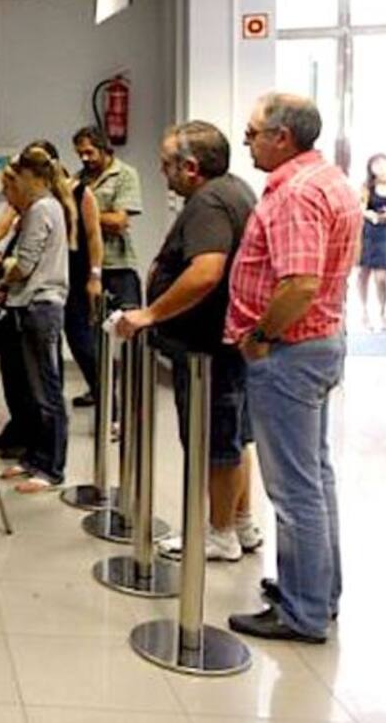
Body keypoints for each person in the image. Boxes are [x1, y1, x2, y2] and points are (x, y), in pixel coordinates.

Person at [224, 93, 362, 644]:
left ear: (282, 137)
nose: (247, 142)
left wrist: (260, 335)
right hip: (319, 344)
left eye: (252, 133)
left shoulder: (296, 194)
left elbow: (300, 284)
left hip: (290, 352)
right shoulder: (328, 179)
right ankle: (318, 593)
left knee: (294, 488)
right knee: (316, 477)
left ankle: (303, 612)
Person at [114, 121, 261, 562]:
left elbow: (205, 271)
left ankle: (220, 533)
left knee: (214, 443)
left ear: (191, 167)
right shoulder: (235, 189)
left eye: (167, 165)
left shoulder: (209, 203)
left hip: (206, 348)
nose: (163, 172)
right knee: (234, 438)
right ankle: (239, 522)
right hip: (225, 344)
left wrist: (150, 314)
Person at [0, 140, 103, 446]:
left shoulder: (46, 207)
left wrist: (95, 275)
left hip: (46, 296)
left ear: (27, 178)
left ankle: (47, 455)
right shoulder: (37, 207)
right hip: (29, 297)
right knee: (25, 375)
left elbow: (24, 264)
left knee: (50, 379)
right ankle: (28, 440)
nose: (6, 196)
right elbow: (6, 243)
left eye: (8, 188)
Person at [0, 150, 71, 493]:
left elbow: (23, 266)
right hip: (33, 305)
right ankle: (35, 458)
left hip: (40, 306)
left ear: (30, 176)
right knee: (34, 391)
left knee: (46, 392)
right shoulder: (47, 207)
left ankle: (51, 468)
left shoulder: (40, 210)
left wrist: (5, 269)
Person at [73, 125, 144, 311]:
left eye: (89, 152)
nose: (84, 158)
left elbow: (118, 222)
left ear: (103, 148)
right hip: (85, 263)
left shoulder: (124, 174)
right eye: (80, 154)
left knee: (124, 318)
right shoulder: (77, 180)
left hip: (117, 264)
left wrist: (86, 215)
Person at [355, 153, 386, 331]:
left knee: (382, 276)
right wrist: (372, 215)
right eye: (376, 165)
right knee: (363, 272)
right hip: (367, 231)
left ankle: (383, 311)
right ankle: (364, 311)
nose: (381, 168)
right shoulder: (367, 187)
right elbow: (361, 207)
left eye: (384, 164)